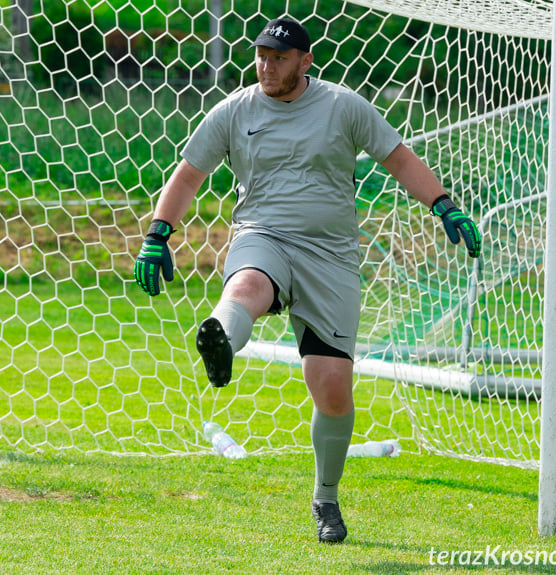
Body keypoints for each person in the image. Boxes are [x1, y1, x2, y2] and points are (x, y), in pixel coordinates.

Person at [133, 17, 481, 544]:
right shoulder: (235, 110)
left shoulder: (344, 106)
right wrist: (159, 232)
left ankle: (326, 497)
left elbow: (399, 158)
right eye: (261, 56)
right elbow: (188, 174)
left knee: (333, 391)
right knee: (246, 286)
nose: (266, 66)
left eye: (278, 57)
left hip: (331, 256)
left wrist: (443, 205)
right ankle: (220, 339)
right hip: (263, 234)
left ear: (304, 61)